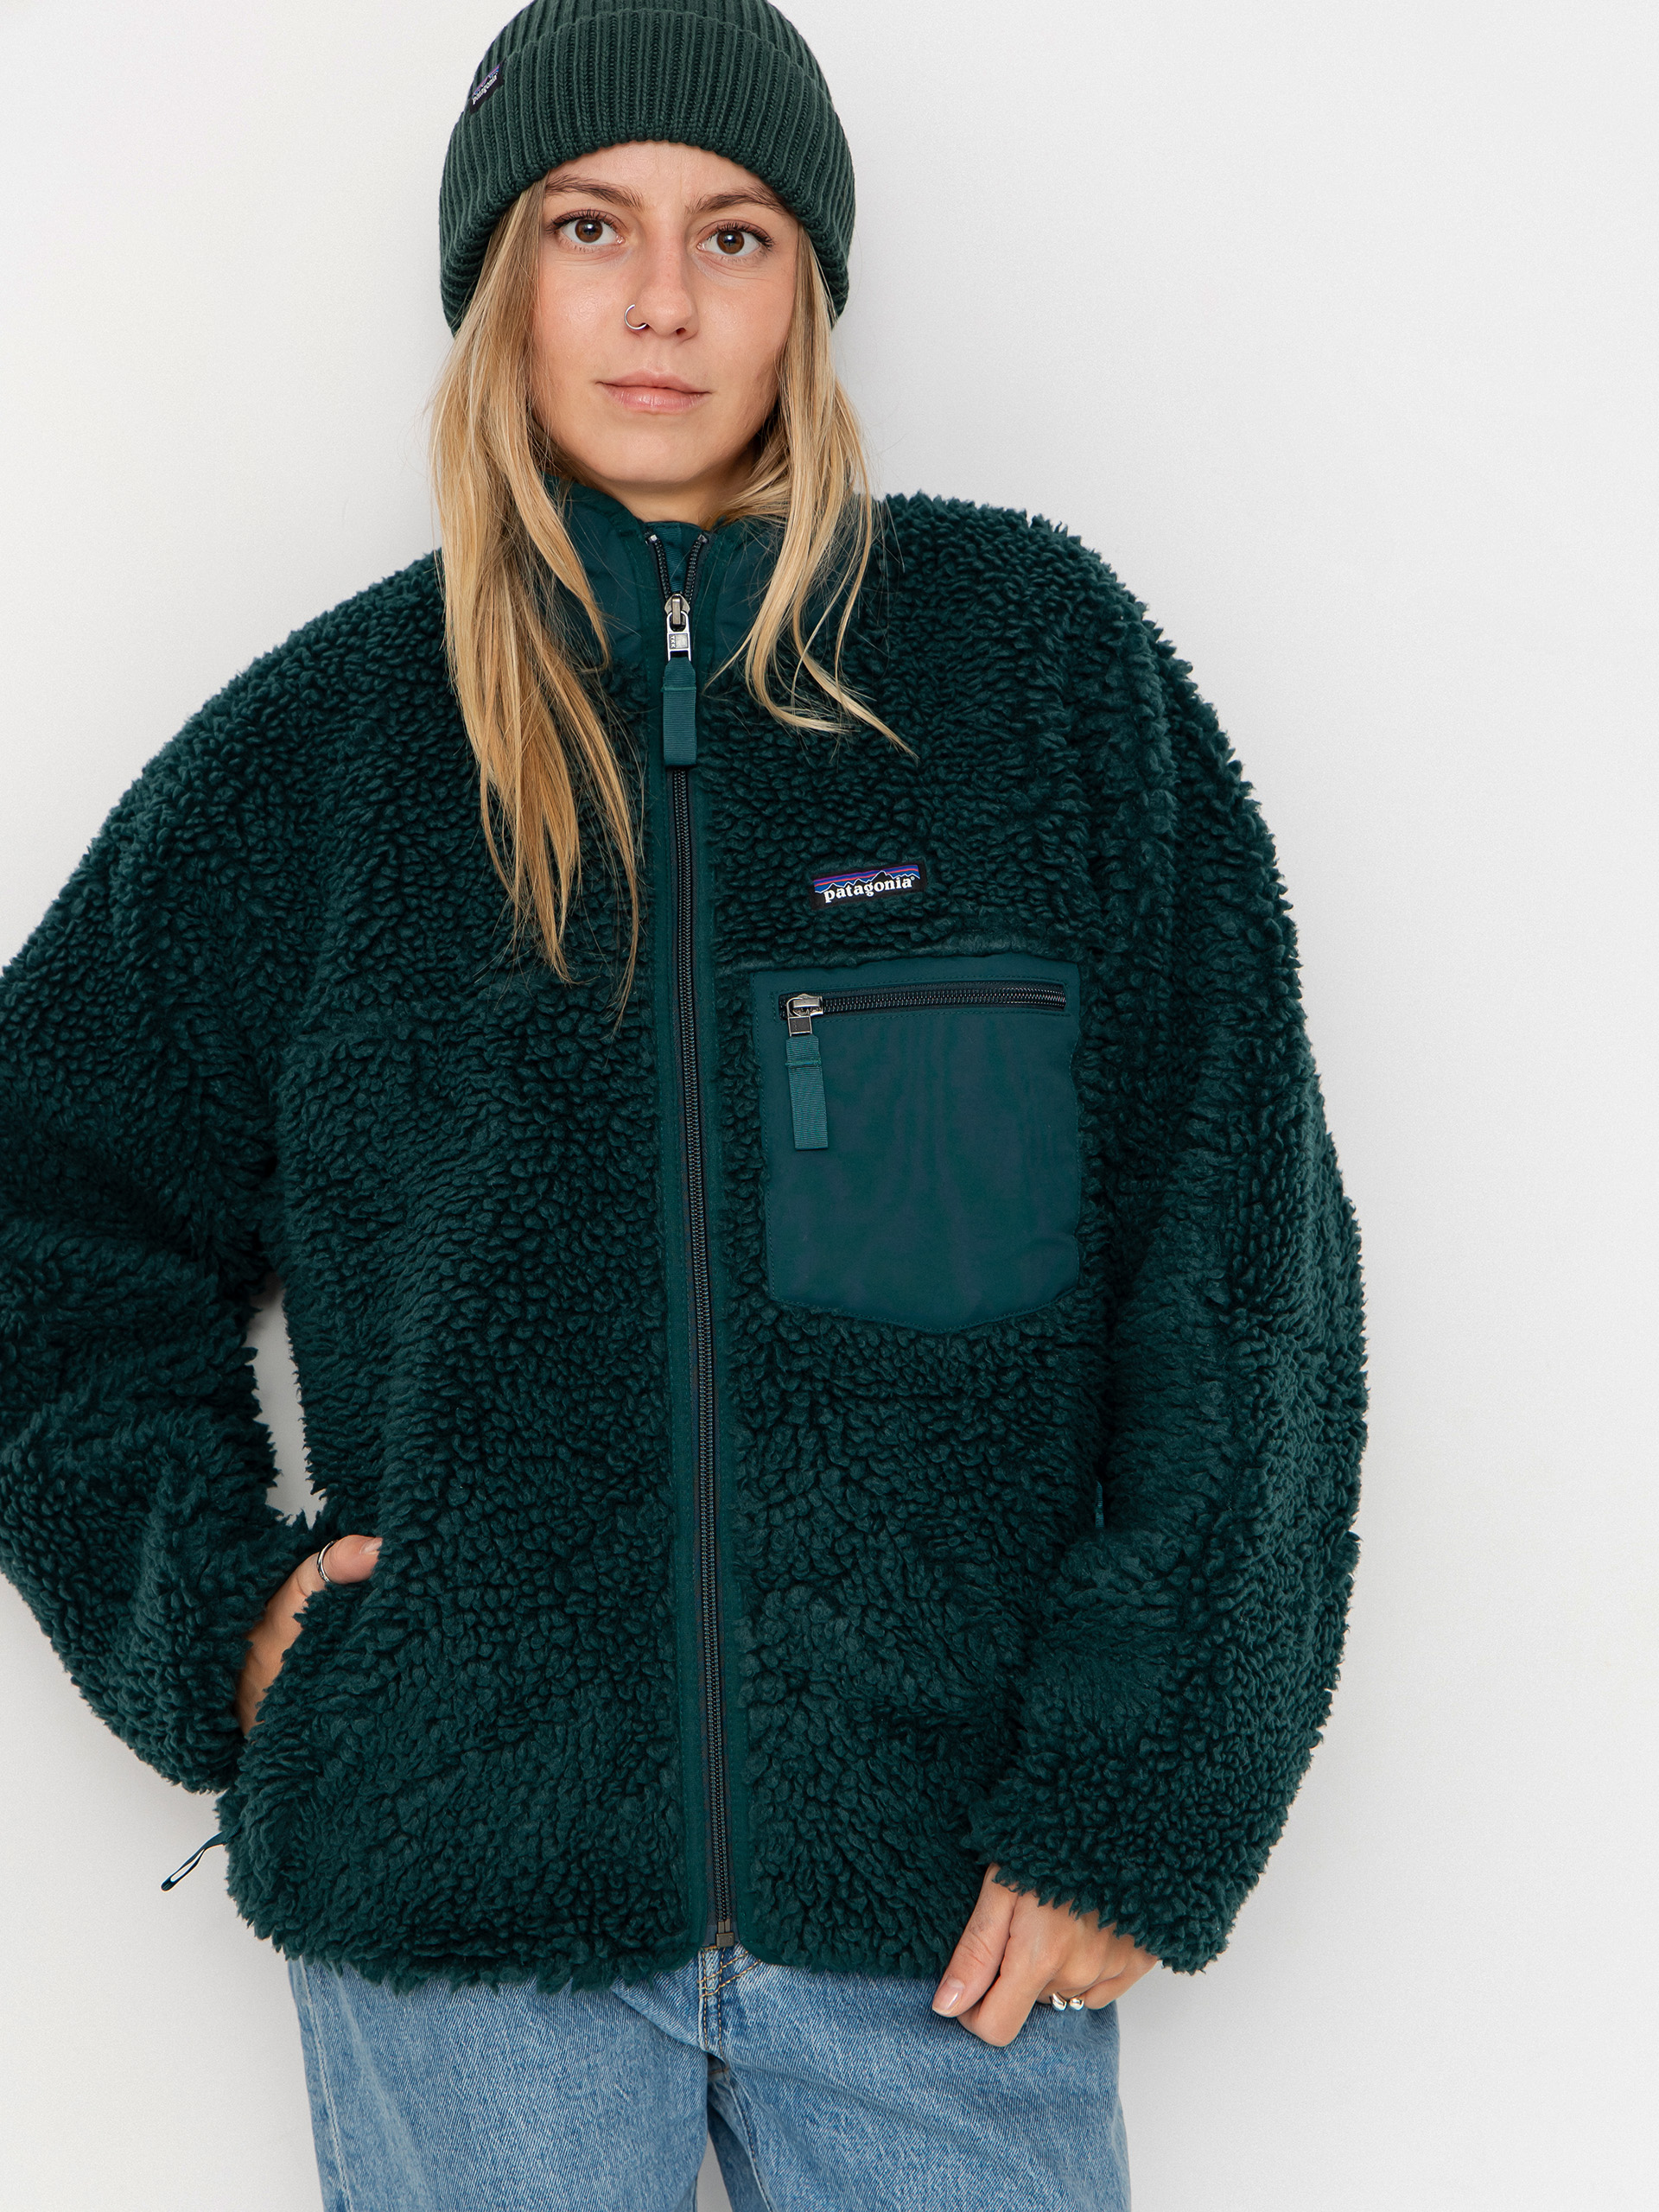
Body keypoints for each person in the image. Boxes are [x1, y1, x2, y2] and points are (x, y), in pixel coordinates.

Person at [0, 1, 1367, 2205]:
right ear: (498, 276)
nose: (660, 300)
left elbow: (1244, 1275)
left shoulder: (1033, 678)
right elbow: (39, 1197)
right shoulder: (335, 752)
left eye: (733, 233)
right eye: (588, 225)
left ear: (807, 284)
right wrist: (216, 1617)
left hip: (939, 1913)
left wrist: (1141, 1795)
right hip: (467, 1922)